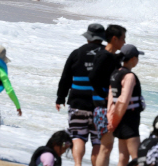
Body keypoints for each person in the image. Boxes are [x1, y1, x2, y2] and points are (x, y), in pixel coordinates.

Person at [56, 23, 105, 166]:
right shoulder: (108, 55)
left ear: (88, 37)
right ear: (102, 38)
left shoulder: (77, 53)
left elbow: (65, 78)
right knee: (97, 140)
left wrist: (60, 97)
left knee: (78, 137)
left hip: (78, 102)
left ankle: (78, 164)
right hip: (100, 105)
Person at [90, 25, 127, 166]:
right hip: (102, 106)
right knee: (106, 147)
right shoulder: (104, 55)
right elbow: (93, 77)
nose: (124, 42)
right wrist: (103, 94)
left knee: (107, 146)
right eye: (123, 38)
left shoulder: (110, 56)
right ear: (114, 38)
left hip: (106, 105)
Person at [108, 44, 146, 166]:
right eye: (137, 57)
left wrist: (111, 119)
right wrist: (114, 122)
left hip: (119, 120)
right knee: (138, 159)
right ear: (133, 59)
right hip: (128, 121)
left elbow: (111, 99)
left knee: (123, 158)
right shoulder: (129, 76)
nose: (138, 60)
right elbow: (123, 101)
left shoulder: (115, 74)